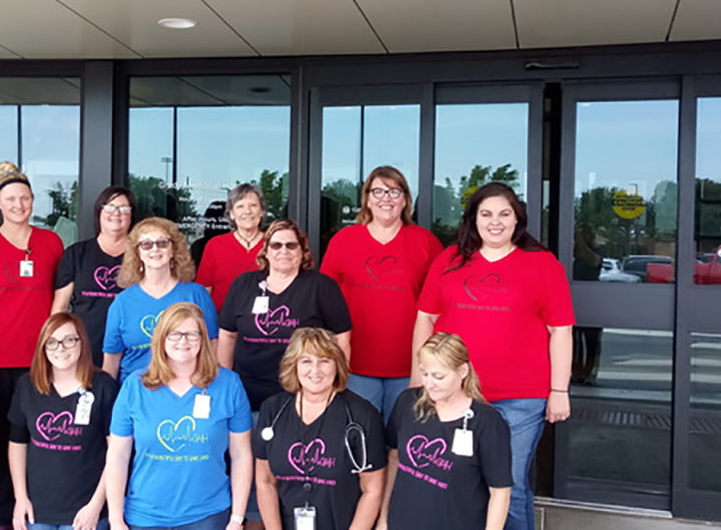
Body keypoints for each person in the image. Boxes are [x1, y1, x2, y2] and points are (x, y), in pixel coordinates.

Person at [413, 182, 574, 530]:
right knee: (458, 482)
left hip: (520, 398)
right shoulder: (450, 259)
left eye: (505, 214)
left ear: (518, 220)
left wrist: (559, 390)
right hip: (457, 394)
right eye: (486, 214)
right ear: (473, 219)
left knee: (509, 485)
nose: (495, 222)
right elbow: (425, 317)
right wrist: (419, 377)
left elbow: (560, 330)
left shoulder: (542, 264)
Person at [0, 161, 65, 528]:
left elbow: (60, 296)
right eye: (10, 198)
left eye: (24, 197)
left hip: (37, 358)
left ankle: (30, 503)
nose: (18, 204)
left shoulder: (50, 242)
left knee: (32, 433)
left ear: (33, 201)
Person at [105, 302, 253, 530]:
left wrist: (237, 518)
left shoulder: (229, 385)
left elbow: (241, 454)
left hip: (208, 515)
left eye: (191, 334)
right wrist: (116, 518)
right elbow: (118, 455)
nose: (182, 341)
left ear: (203, 339)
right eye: (174, 334)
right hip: (145, 516)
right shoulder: (135, 386)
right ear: (161, 338)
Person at [321, 166, 443, 421]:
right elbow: (325, 300)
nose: (385, 198)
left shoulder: (426, 243)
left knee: (402, 442)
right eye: (378, 191)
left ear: (406, 199)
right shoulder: (344, 239)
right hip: (355, 365)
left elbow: (439, 306)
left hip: (410, 367)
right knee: (361, 439)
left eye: (394, 191)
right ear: (366, 198)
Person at [254, 328, 386, 530]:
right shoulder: (273, 410)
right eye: (306, 361)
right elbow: (265, 481)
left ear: (337, 365)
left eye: (324, 361)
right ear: (294, 365)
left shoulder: (362, 416)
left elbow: (372, 490)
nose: (315, 370)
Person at [379, 332, 512, 530]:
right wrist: (383, 518)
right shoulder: (408, 402)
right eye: (424, 374)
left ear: (463, 371)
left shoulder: (487, 422)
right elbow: (394, 458)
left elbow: (500, 492)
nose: (429, 384)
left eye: (439, 376)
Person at [218, 218, 352, 412]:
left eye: (291, 245)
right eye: (276, 245)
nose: (283, 251)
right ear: (266, 251)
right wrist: (224, 382)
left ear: (302, 251)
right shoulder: (243, 284)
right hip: (247, 394)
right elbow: (227, 335)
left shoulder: (321, 287)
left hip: (303, 396)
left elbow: (342, 338)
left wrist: (336, 384)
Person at [8, 313, 119, 530]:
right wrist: (20, 497)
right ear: (43, 346)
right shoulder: (28, 385)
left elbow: (116, 452)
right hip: (37, 510)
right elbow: (17, 444)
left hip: (86, 511)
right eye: (52, 342)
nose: (60, 348)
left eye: (69, 340)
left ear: (82, 343)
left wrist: (96, 505)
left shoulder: (104, 387)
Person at [103, 217, 217, 384]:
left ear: (174, 249)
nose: (155, 249)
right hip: (137, 394)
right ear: (137, 253)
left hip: (188, 391)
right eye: (146, 244)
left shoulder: (196, 295)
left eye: (162, 243)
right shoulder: (122, 302)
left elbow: (212, 346)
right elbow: (111, 360)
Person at [52, 186, 137, 368]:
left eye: (123, 208)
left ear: (132, 216)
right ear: (99, 212)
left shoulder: (142, 256)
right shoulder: (76, 254)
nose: (116, 213)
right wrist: (57, 345)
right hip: (83, 349)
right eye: (109, 206)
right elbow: (60, 307)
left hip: (130, 352)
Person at [196, 184, 267, 312]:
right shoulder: (215, 245)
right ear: (232, 214)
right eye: (240, 206)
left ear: (261, 211)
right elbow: (204, 291)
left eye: (253, 205)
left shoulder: (274, 244)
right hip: (222, 323)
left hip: (265, 323)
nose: (247, 211)